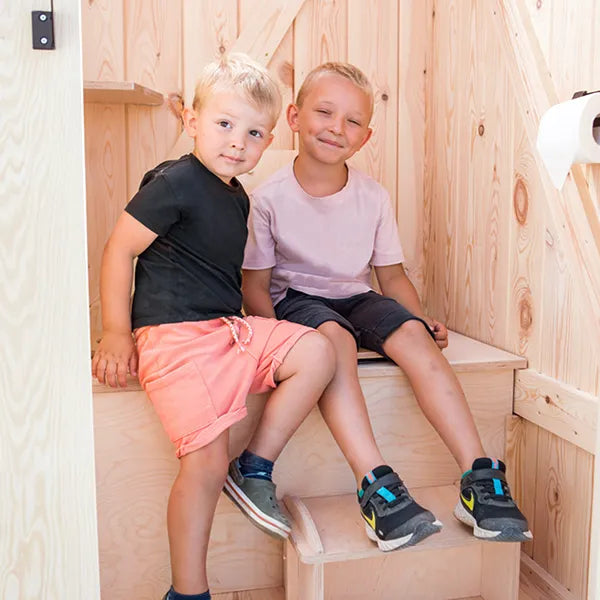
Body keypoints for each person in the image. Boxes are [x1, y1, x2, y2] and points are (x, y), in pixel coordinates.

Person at [242, 62, 532, 552]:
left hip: (357, 297)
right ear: (293, 116)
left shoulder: (373, 197)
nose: (337, 127)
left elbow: (391, 276)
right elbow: (256, 285)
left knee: (415, 337)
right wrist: (275, 348)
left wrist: (416, 318)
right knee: (334, 343)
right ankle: (376, 484)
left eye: (353, 121)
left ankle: (480, 476)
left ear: (366, 135)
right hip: (297, 302)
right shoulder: (268, 198)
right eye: (324, 112)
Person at [91, 54, 335, 600]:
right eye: (224, 124)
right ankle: (189, 591)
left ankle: (254, 466)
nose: (237, 142)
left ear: (269, 140)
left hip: (230, 330)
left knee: (318, 352)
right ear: (191, 120)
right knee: (203, 466)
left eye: (253, 133)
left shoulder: (237, 195)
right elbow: (119, 250)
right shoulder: (175, 181)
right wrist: (115, 331)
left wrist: (264, 333)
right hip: (176, 339)